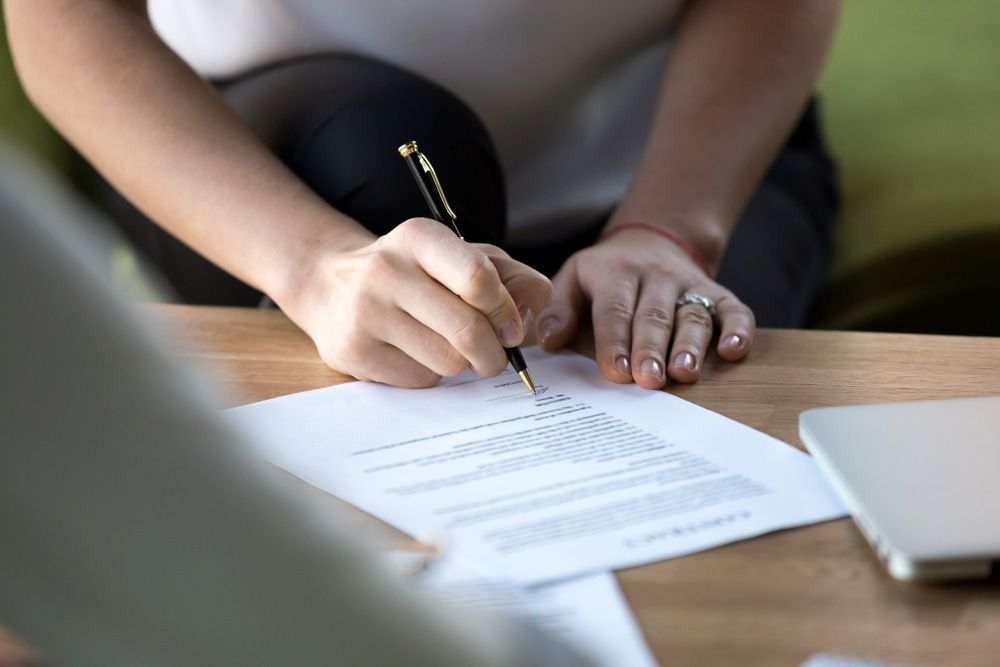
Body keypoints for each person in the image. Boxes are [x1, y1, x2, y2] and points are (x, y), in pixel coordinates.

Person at [5, 0, 840, 391]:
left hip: (674, 141)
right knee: (386, 169)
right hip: (268, 164)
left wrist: (672, 226)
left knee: (704, 378)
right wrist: (310, 263)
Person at [0, 141, 587, 666]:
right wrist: (312, 267)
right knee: (380, 130)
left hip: (605, 208)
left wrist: (657, 225)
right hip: (247, 175)